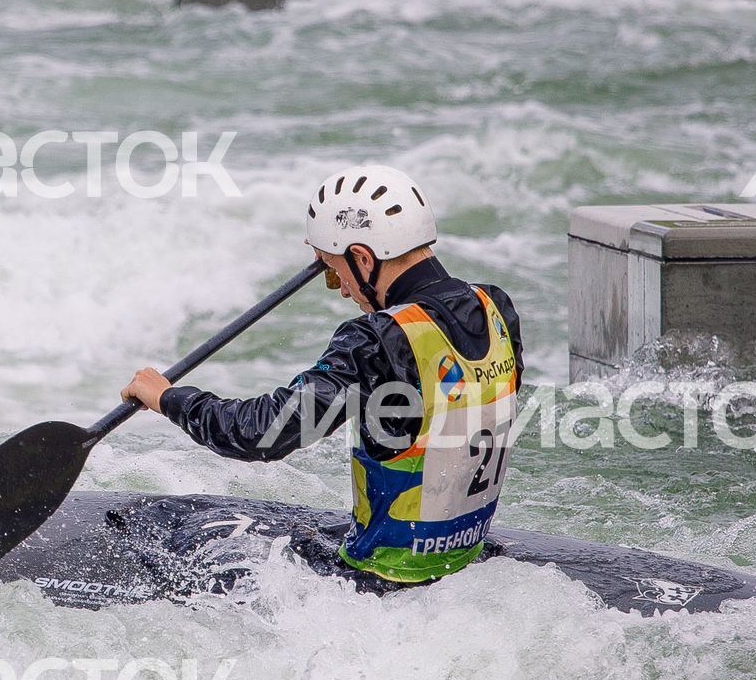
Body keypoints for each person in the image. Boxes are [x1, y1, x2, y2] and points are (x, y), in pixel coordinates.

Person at [121, 167, 520, 591]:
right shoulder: (495, 308)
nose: (343, 290)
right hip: (465, 565)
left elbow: (262, 434)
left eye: (334, 273)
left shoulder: (375, 340)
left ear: (364, 258)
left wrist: (169, 398)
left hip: (383, 582)